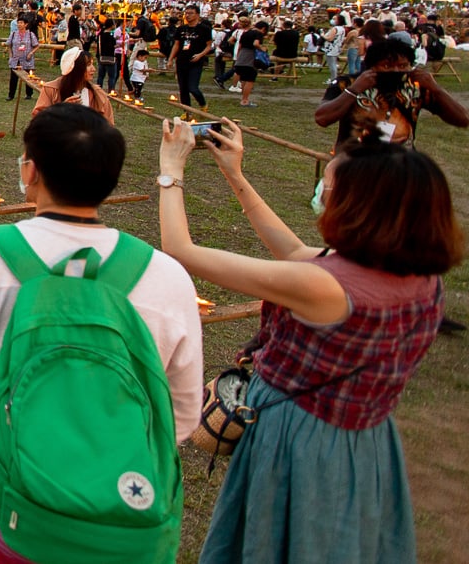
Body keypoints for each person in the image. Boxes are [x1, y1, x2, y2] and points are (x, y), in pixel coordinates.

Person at [154, 118, 460, 563]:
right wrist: (234, 174)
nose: (323, 195)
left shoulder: (326, 288)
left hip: (303, 442)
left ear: (362, 207)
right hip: (366, 441)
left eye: (330, 188)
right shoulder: (418, 277)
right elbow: (296, 253)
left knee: (291, 541)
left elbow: (182, 250)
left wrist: (171, 168)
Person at [0, 104, 202, 564]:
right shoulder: (167, 278)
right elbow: (183, 419)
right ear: (111, 178)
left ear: (30, 171)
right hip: (125, 520)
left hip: (8, 503)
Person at [313, 37, 468, 146]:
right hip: (353, 165)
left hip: (400, 168)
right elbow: (322, 118)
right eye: (387, 66)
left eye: (402, 66)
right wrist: (354, 90)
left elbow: (462, 119)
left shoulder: (415, 88)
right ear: (372, 66)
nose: (396, 71)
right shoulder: (345, 84)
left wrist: (436, 89)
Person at [31, 45, 115, 124]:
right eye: (88, 65)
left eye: (92, 64)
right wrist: (61, 110)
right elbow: (38, 121)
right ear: (75, 68)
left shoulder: (98, 94)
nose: (93, 69)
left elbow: (108, 126)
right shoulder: (51, 89)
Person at [167, 3, 214, 108]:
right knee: (183, 88)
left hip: (195, 61)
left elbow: (209, 46)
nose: (188, 15)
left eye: (191, 13)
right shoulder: (181, 29)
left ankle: (202, 104)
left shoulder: (204, 29)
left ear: (197, 15)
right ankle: (187, 110)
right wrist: (170, 59)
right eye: (186, 13)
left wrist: (200, 55)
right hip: (182, 60)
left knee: (192, 87)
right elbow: (177, 44)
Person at [231, 16, 266, 108]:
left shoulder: (245, 33)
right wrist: (262, 49)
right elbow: (256, 44)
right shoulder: (258, 33)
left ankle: (243, 99)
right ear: (263, 29)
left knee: (244, 80)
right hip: (250, 58)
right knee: (250, 80)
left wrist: (238, 57)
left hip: (241, 56)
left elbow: (239, 46)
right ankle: (245, 100)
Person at [4, 17, 37, 101]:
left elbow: (36, 45)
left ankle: (29, 94)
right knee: (13, 78)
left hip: (27, 59)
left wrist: (31, 53)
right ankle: (11, 95)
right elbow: (9, 44)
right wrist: (10, 54)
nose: (19, 24)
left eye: (21, 23)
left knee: (28, 76)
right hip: (16, 59)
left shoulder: (30, 34)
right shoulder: (14, 34)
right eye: (18, 23)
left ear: (26, 24)